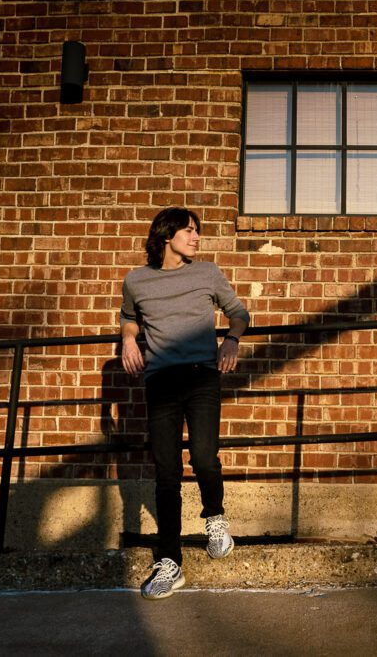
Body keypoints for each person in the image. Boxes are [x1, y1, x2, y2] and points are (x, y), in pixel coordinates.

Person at [119, 206, 250, 600]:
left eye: (196, 231)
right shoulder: (136, 280)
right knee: (166, 471)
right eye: (189, 231)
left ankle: (214, 519)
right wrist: (128, 338)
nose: (196, 237)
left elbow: (239, 314)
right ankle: (170, 560)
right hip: (160, 381)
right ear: (166, 236)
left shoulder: (207, 272)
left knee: (205, 457)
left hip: (201, 377)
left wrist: (231, 339)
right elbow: (129, 317)